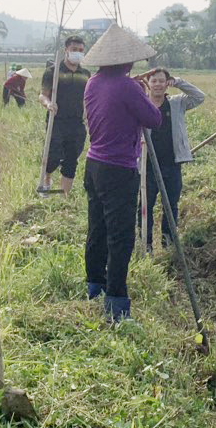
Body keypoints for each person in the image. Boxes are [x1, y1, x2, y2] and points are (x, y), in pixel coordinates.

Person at [81, 24, 163, 322]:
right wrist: (140, 92)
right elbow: (153, 118)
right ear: (127, 62)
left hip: (94, 165)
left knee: (97, 228)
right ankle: (116, 304)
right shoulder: (128, 87)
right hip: (119, 169)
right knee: (121, 236)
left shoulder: (92, 83)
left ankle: (94, 286)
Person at [137, 67, 206, 250]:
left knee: (170, 204)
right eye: (154, 81)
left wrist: (179, 81)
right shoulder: (142, 105)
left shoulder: (176, 103)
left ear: (167, 84)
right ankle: (146, 243)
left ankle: (169, 243)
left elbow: (199, 97)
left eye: (162, 80)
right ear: (148, 84)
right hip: (147, 165)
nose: (158, 84)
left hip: (171, 164)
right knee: (145, 204)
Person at [39, 36, 91, 194]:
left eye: (81, 50)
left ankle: (64, 196)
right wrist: (48, 104)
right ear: (66, 50)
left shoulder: (86, 74)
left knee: (71, 158)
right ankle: (46, 179)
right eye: (74, 50)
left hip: (77, 123)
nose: (77, 53)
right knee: (53, 154)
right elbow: (42, 95)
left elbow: (88, 98)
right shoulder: (53, 72)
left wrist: (89, 116)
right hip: (57, 121)